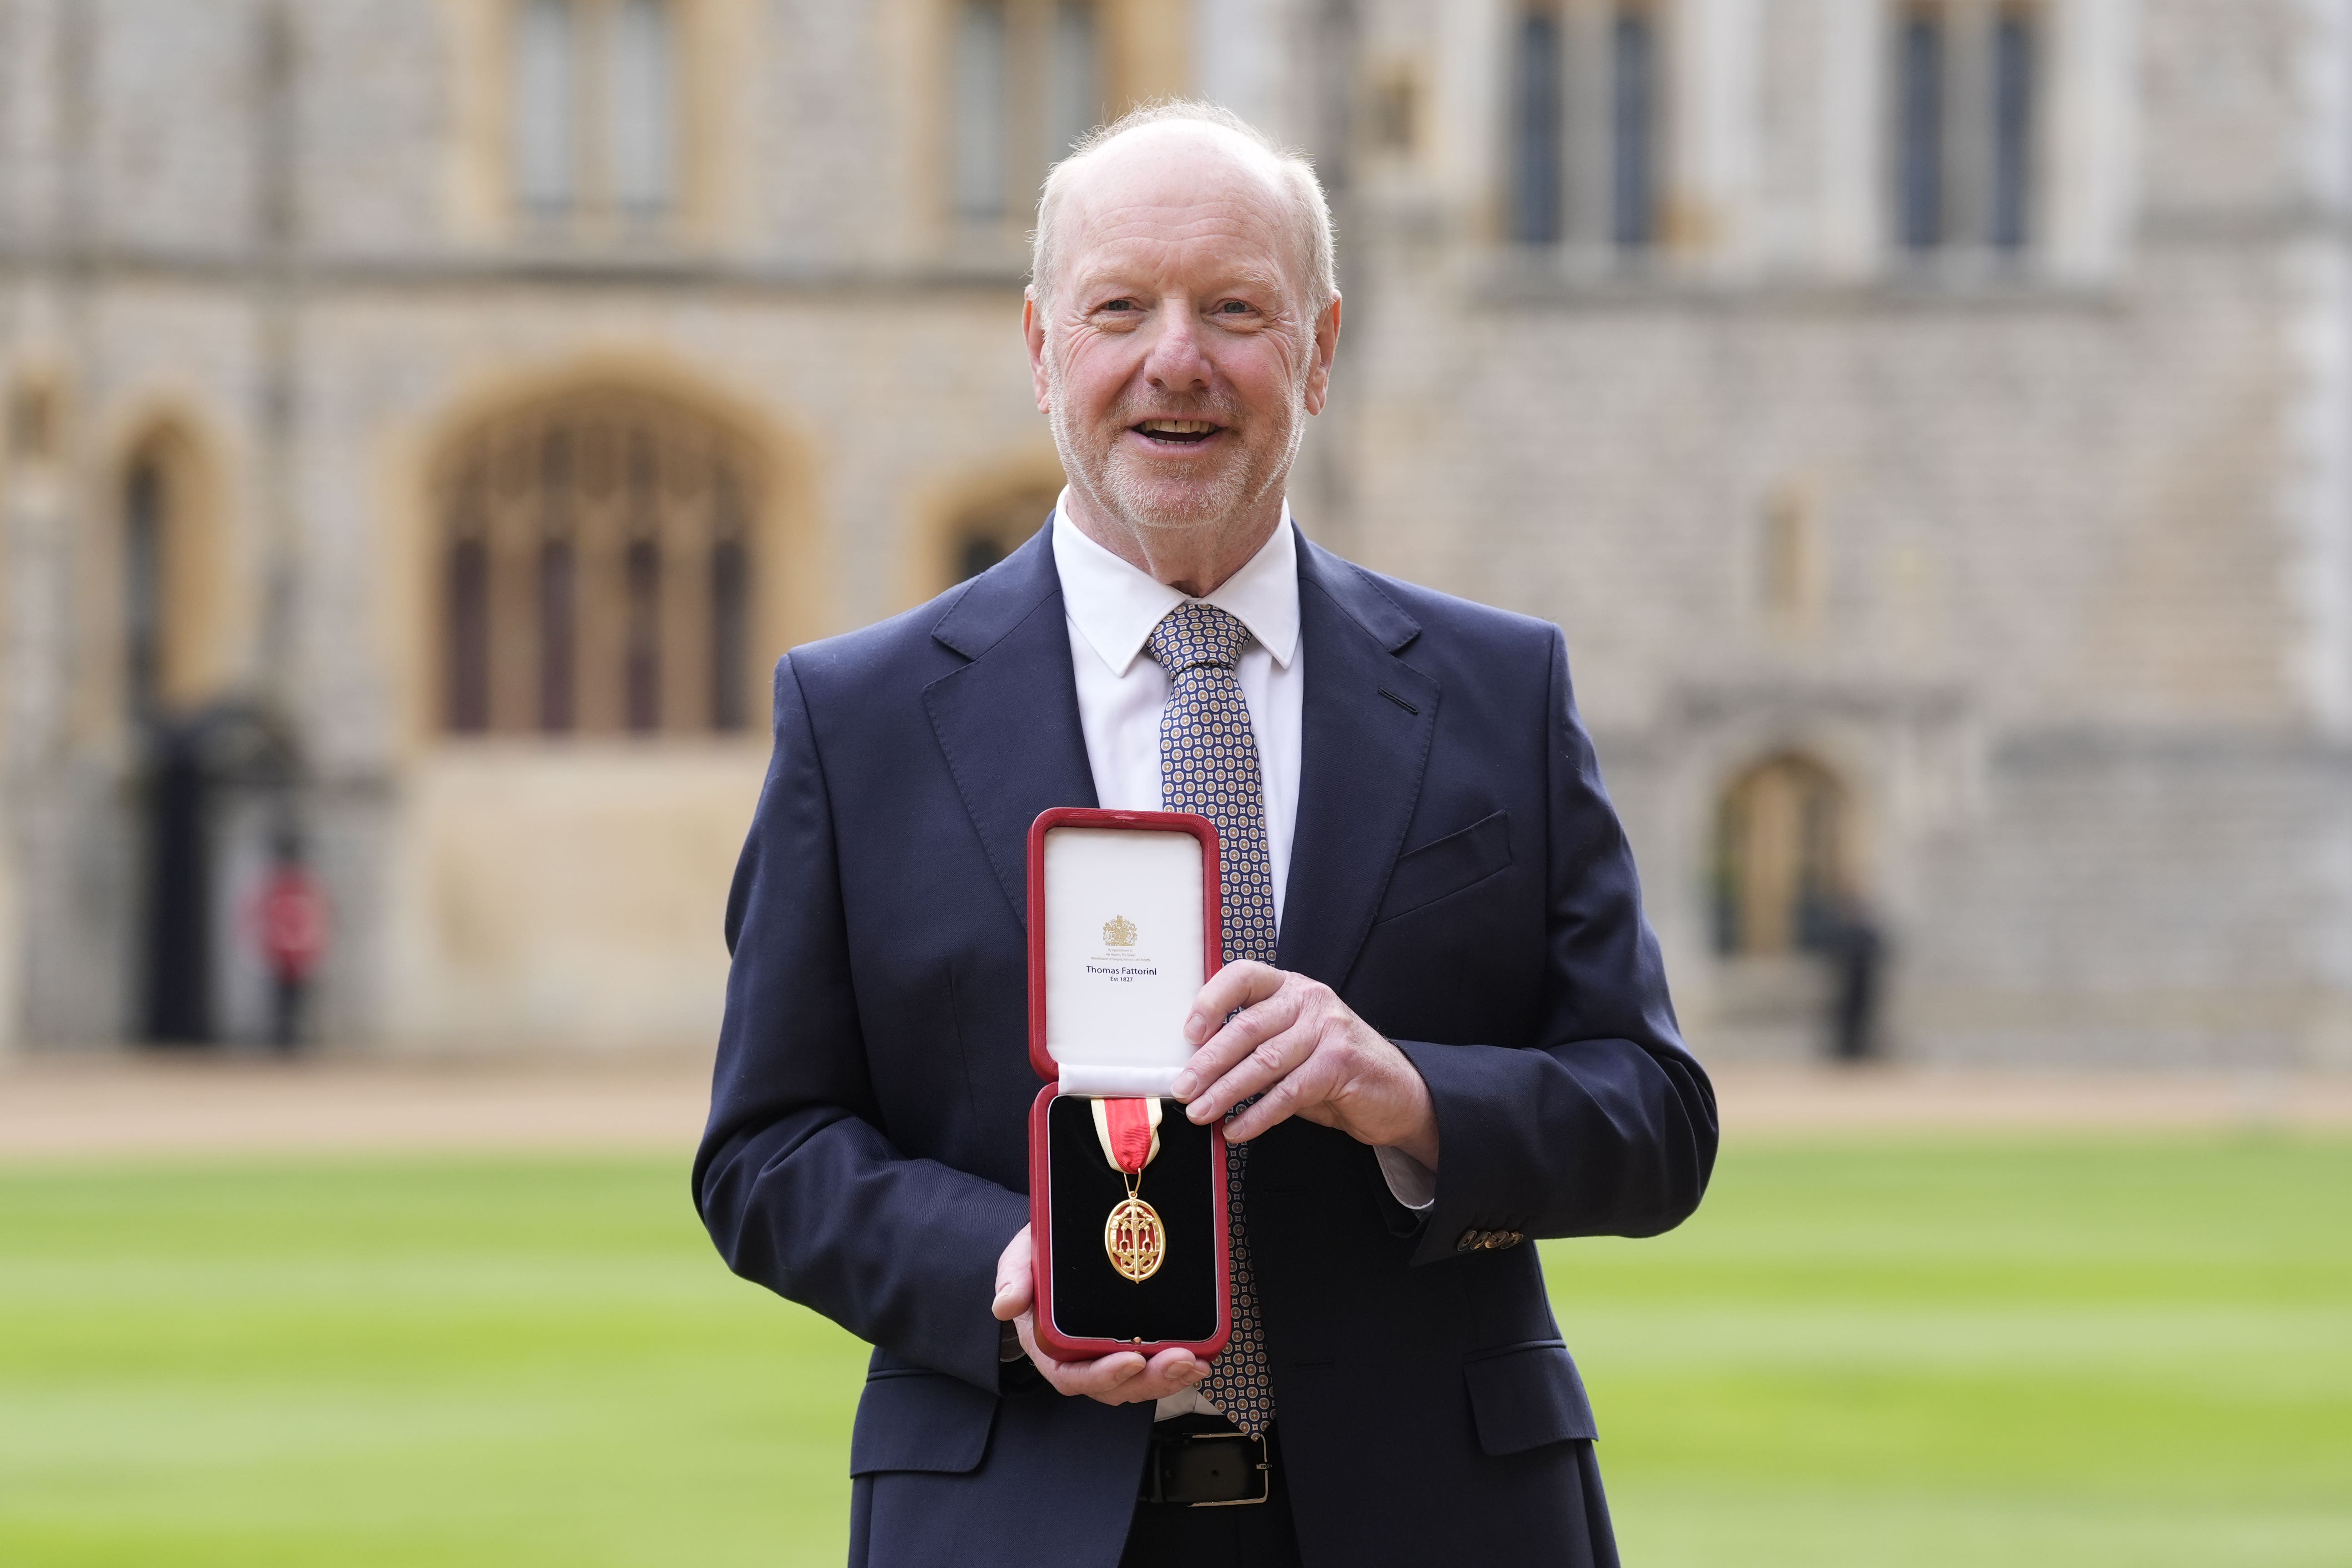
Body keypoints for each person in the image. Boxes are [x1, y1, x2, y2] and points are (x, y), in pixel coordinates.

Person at [695, 101, 1717, 1568]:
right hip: (1015, 1515)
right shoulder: (857, 718)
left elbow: (1656, 1117)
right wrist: (1000, 1272)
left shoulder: (1499, 690)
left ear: (1317, 351)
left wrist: (1407, 1094)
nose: (1177, 358)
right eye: (1122, 309)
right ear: (1045, 347)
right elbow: (767, 1150)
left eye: (1235, 309)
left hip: (1438, 1516)